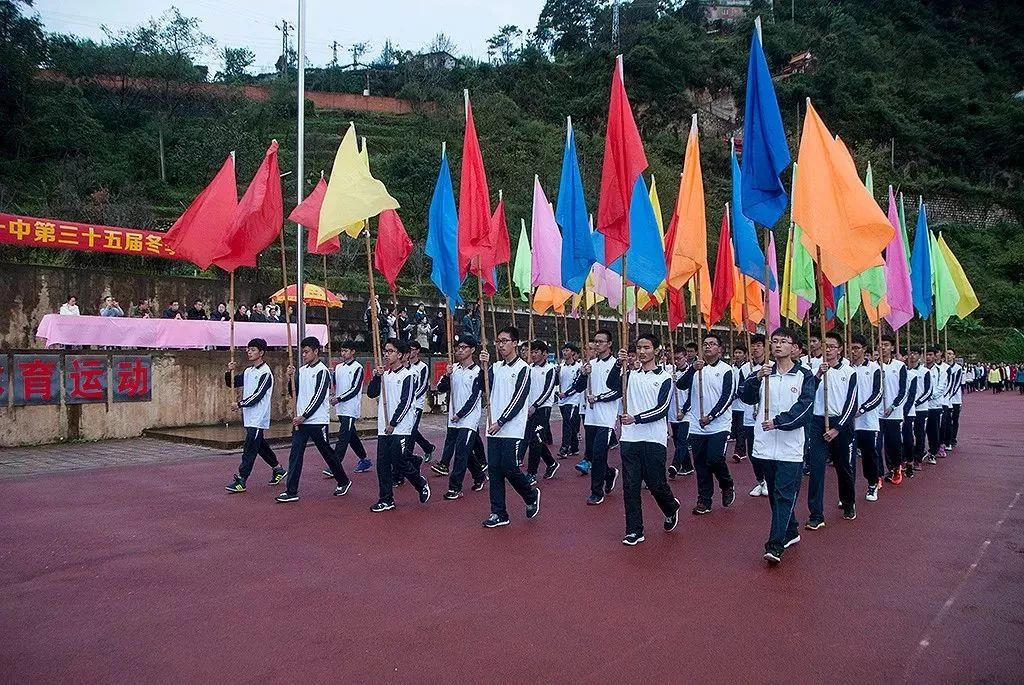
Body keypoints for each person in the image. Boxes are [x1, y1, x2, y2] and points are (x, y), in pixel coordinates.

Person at [741, 326, 816, 564]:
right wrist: (755, 379)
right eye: (774, 341)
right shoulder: (763, 373)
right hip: (765, 444)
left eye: (784, 341)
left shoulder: (805, 376)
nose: (778, 345)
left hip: (790, 446)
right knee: (775, 494)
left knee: (784, 494)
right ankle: (791, 530)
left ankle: (775, 545)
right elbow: (746, 396)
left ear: (794, 347)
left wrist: (779, 422)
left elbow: (804, 409)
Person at [606, 334, 680, 546]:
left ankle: (670, 507)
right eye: (639, 347)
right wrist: (618, 364)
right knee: (630, 485)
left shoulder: (664, 378)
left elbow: (662, 409)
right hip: (630, 438)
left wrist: (635, 418)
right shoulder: (629, 375)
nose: (642, 351)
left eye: (647, 347)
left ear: (656, 350)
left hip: (654, 438)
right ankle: (634, 530)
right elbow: (612, 384)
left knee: (656, 483)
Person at [275, 337, 352, 503]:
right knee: (295, 454)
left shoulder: (322, 372)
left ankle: (343, 480)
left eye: (307, 351)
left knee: (327, 453)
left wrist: (304, 415)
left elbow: (318, 398)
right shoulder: (302, 370)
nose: (304, 355)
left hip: (316, 421)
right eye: (302, 352)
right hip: (301, 421)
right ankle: (291, 490)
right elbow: (292, 392)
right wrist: (290, 377)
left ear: (316, 351)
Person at [478, 326, 540, 528]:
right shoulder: (495, 367)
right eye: (498, 341)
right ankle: (499, 512)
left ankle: (530, 495)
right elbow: (482, 385)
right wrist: (483, 366)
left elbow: (519, 399)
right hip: (493, 426)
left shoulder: (523, 368)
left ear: (515, 343)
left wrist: (502, 421)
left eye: (505, 341)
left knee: (510, 468)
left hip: (511, 427)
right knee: (495, 470)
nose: (501, 344)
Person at [366, 338, 430, 511]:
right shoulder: (384, 375)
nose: (387, 354)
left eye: (391, 351)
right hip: (383, 427)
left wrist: (394, 422)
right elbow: (371, 393)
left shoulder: (408, 376)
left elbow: (407, 401)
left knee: (399, 461)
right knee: (382, 464)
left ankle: (420, 482)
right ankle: (386, 499)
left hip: (400, 427)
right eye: (385, 351)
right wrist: (376, 378)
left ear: (400, 355)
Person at [678, 333, 736, 516]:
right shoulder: (696, 369)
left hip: (719, 424)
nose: (708, 347)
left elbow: (728, 397)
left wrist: (711, 416)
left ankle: (726, 484)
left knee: (715, 458)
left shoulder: (728, 370)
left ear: (720, 349)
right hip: (697, 425)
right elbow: (681, 386)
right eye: (705, 344)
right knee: (701, 464)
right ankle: (704, 500)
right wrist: (692, 370)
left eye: (712, 344)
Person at [805, 331, 858, 529]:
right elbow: (807, 392)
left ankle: (848, 502)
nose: (828, 350)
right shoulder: (813, 368)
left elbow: (852, 404)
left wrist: (837, 428)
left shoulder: (849, 372)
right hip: (818, 422)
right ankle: (816, 514)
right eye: (825, 346)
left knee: (843, 466)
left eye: (832, 346)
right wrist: (819, 374)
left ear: (840, 349)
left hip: (840, 424)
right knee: (816, 468)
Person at [224, 338, 287, 492]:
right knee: (260, 446)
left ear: (261, 353)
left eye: (253, 350)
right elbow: (232, 383)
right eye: (248, 349)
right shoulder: (248, 371)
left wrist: (239, 404)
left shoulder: (266, 373)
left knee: (249, 449)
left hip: (258, 417)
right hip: (249, 417)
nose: (249, 352)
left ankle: (241, 479)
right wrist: (229, 372)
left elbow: (258, 395)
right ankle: (278, 469)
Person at [573, 329, 622, 505]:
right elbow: (578, 388)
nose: (597, 344)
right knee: (593, 455)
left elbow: (618, 391)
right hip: (590, 416)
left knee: (600, 454)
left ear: (609, 344)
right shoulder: (590, 364)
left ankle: (596, 491)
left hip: (606, 417)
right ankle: (609, 473)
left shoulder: (617, 364)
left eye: (601, 341)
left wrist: (599, 398)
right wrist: (583, 374)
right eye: (596, 341)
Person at [436, 336, 487, 499]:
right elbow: (441, 388)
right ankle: (479, 476)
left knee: (461, 452)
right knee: (465, 452)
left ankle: (455, 487)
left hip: (468, 419)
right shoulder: (454, 369)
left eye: (464, 348)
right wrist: (446, 375)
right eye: (458, 348)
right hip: (453, 418)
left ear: (472, 350)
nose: (460, 350)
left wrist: (461, 414)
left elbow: (475, 397)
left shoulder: (479, 372)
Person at [322, 340, 372, 478]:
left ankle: (335, 465)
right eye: (342, 351)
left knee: (343, 436)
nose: (343, 353)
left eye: (346, 351)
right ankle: (364, 459)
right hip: (340, 407)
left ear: (353, 352)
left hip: (350, 407)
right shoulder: (339, 367)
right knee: (351, 436)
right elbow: (334, 384)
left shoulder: (358, 368)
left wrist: (340, 398)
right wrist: (331, 375)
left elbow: (355, 389)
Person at [848, 335, 883, 501]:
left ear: (864, 349)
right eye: (851, 348)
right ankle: (847, 492)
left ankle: (872, 485)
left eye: (857, 348)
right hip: (848, 422)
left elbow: (878, 394)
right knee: (847, 457)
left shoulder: (875, 369)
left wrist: (862, 409)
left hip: (868, 422)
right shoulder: (846, 368)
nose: (853, 351)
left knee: (869, 455)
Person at [525, 340, 558, 484]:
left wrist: (536, 405)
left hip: (543, 408)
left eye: (536, 352)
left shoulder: (550, 369)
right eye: (531, 352)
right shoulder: (528, 369)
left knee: (535, 440)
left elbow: (548, 390)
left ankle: (532, 473)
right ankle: (551, 463)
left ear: (544, 354)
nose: (533, 354)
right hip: (528, 408)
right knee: (534, 439)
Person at [737, 335, 768, 495]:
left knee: (766, 450)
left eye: (758, 345)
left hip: (767, 417)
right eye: (753, 345)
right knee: (752, 452)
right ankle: (760, 481)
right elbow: (741, 391)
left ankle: (769, 480)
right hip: (749, 416)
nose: (755, 348)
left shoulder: (772, 366)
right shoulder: (745, 369)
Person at [877, 334, 909, 482]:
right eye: (880, 344)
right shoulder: (873, 366)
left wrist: (894, 405)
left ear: (892, 348)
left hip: (893, 413)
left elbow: (903, 391)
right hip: (875, 413)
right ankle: (877, 475)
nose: (883, 347)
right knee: (876, 446)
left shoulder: (900, 366)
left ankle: (895, 467)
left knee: (893, 444)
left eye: (886, 344)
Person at [403, 341, 436, 465]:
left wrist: (411, 397)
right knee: (410, 429)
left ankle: (408, 458)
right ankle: (427, 447)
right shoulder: (404, 366)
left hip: (416, 404)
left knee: (411, 431)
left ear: (417, 351)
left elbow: (423, 387)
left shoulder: (422, 367)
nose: (410, 352)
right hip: (406, 404)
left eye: (412, 349)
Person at [667, 348, 695, 478]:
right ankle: (688, 466)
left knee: (682, 441)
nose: (677, 361)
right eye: (675, 359)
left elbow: (693, 396)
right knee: (677, 440)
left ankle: (675, 465)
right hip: (673, 412)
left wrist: (684, 410)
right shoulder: (670, 372)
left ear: (685, 357)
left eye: (679, 358)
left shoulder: (692, 373)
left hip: (686, 414)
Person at [557, 343, 583, 459]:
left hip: (573, 399)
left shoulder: (578, 367)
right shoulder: (561, 367)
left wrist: (566, 394)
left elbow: (577, 384)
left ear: (572, 352)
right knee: (570, 424)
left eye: (567, 350)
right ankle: (575, 447)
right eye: (564, 350)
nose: (565, 352)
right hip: (562, 400)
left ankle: (564, 447)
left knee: (566, 422)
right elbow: (557, 382)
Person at [903, 347, 925, 472]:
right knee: (905, 435)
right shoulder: (902, 370)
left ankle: (917, 459)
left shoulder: (924, 372)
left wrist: (917, 402)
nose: (912, 356)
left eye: (915, 353)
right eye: (910, 353)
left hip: (920, 408)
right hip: (902, 409)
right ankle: (904, 457)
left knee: (918, 433)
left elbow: (928, 391)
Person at [925, 346, 947, 462]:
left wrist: (928, 396)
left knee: (933, 430)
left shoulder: (940, 371)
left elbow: (941, 388)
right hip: (921, 406)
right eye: (926, 355)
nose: (928, 357)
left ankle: (933, 452)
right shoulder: (920, 370)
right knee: (919, 431)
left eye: (930, 355)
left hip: (935, 405)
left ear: (935, 356)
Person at [729, 344, 749, 464]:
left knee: (742, 429)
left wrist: (738, 394)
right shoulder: (730, 368)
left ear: (745, 355)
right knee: (735, 429)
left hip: (743, 404)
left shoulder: (747, 368)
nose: (737, 355)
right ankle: (741, 449)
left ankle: (739, 451)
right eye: (735, 353)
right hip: (732, 404)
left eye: (740, 353)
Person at [943, 349, 963, 453]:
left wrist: (949, 395)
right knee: (946, 420)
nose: (948, 355)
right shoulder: (943, 367)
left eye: (950, 354)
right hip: (945, 399)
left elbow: (956, 384)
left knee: (954, 420)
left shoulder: (958, 368)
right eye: (946, 353)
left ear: (954, 356)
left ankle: (952, 438)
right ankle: (946, 439)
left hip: (955, 399)